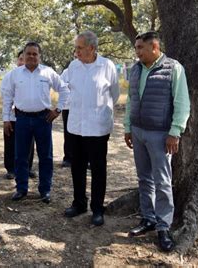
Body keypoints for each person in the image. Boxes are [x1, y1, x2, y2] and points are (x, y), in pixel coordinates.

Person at [124, 31, 190, 252]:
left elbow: (182, 103)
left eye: (140, 48)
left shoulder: (173, 68)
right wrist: (127, 128)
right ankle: (148, 218)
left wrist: (175, 132)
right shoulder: (135, 69)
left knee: (162, 181)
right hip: (138, 131)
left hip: (161, 135)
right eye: (136, 49)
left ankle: (163, 227)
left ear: (154, 47)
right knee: (144, 178)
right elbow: (131, 101)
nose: (137, 52)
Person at [63, 31, 119, 226]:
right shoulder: (73, 66)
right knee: (77, 168)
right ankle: (79, 203)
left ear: (92, 48)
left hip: (97, 128)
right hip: (76, 126)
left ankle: (97, 208)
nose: (76, 51)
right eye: (76, 47)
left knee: (98, 169)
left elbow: (114, 93)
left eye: (79, 48)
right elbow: (67, 90)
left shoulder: (107, 66)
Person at [2, 41, 69, 203]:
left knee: (45, 156)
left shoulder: (48, 72)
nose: (31, 56)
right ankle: (21, 189)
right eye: (28, 53)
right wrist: (6, 119)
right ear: (23, 56)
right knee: (20, 156)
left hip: (43, 119)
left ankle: (45, 190)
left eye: (35, 54)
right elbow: (7, 97)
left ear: (39, 56)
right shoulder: (14, 74)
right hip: (22, 119)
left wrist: (58, 109)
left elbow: (64, 90)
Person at [0, 50, 36, 180]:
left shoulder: (34, 75)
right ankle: (11, 169)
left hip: (28, 116)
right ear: (17, 60)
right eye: (20, 59)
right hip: (12, 115)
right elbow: (5, 95)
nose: (22, 62)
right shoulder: (9, 76)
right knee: (10, 142)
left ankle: (28, 167)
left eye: (24, 59)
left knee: (29, 143)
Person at [60, 67, 73, 168]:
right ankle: (68, 158)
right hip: (68, 107)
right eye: (75, 56)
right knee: (68, 133)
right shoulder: (66, 72)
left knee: (85, 134)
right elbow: (61, 87)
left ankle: (87, 160)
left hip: (83, 108)